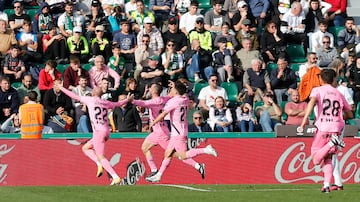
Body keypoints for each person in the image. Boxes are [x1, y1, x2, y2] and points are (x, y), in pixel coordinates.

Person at [56, 81, 132, 186]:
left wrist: (62, 88)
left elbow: (74, 96)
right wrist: (128, 100)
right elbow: (118, 104)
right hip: (106, 131)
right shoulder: (105, 102)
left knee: (101, 156)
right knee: (85, 148)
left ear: (92, 93)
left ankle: (115, 176)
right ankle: (99, 164)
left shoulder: (90, 100)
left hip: (98, 132)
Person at [146, 80, 218, 183]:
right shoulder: (185, 99)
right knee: (168, 154)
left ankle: (206, 150)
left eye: (173, 89)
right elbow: (182, 91)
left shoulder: (174, 101)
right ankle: (159, 175)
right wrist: (176, 85)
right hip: (181, 130)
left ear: (176, 91)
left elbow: (163, 114)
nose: (171, 90)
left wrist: (153, 123)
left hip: (177, 132)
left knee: (183, 155)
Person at [299, 69, 353, 193]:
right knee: (328, 158)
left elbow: (311, 103)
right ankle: (326, 185)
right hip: (336, 128)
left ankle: (331, 143)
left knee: (316, 159)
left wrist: (304, 120)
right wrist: (338, 117)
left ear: (320, 79)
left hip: (323, 127)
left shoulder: (317, 90)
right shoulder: (339, 93)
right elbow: (350, 114)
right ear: (333, 79)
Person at [130, 83, 171, 177]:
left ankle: (195, 162)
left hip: (161, 132)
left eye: (151, 87)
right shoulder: (164, 99)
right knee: (144, 147)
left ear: (153, 91)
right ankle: (154, 170)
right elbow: (171, 96)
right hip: (158, 131)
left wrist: (132, 101)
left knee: (175, 153)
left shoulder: (154, 101)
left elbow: (143, 103)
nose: (149, 89)